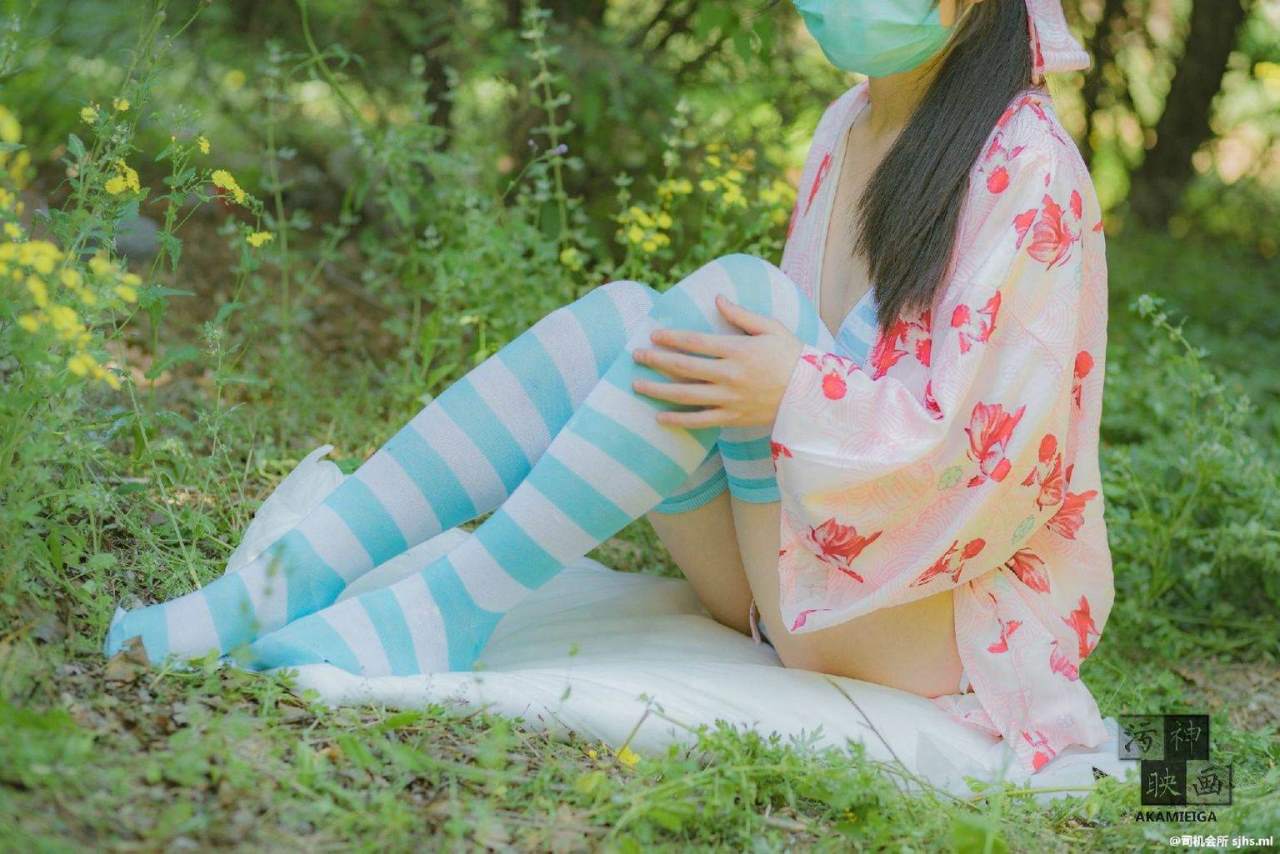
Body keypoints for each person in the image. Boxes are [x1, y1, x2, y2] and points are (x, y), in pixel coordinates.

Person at [106, 0, 1112, 774]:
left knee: (737, 297)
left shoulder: (1030, 168)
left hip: (932, 616)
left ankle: (453, 607)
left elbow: (995, 467)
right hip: (803, 572)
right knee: (633, 315)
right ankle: (288, 579)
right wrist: (790, 391)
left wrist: (797, 393)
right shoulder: (846, 124)